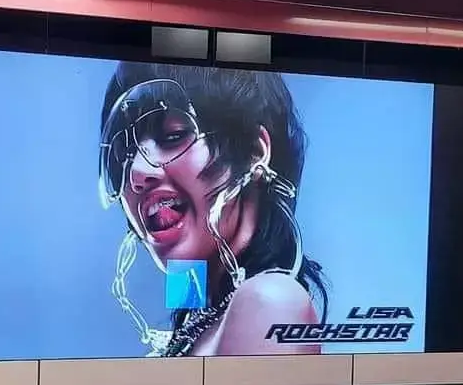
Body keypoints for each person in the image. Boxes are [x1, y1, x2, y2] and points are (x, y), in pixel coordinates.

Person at [98, 62, 326, 357]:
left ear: (255, 153)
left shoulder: (270, 300)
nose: (137, 172)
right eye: (123, 154)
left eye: (173, 135)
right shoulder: (196, 318)